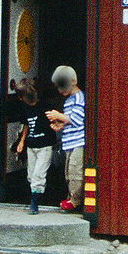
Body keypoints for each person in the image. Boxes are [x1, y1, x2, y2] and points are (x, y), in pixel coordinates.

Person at [44, 64, 84, 212]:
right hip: (69, 142)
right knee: (68, 170)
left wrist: (59, 116)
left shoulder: (79, 98)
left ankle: (75, 200)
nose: (60, 90)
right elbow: (70, 120)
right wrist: (60, 124)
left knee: (75, 170)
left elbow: (78, 119)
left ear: (73, 81)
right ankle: (70, 196)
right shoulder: (68, 101)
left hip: (79, 141)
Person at [13, 78, 54, 214]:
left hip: (45, 146)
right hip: (31, 146)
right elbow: (26, 125)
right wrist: (22, 142)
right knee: (31, 175)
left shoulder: (45, 106)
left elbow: (55, 121)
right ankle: (36, 196)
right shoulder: (25, 108)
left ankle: (34, 204)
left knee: (38, 175)